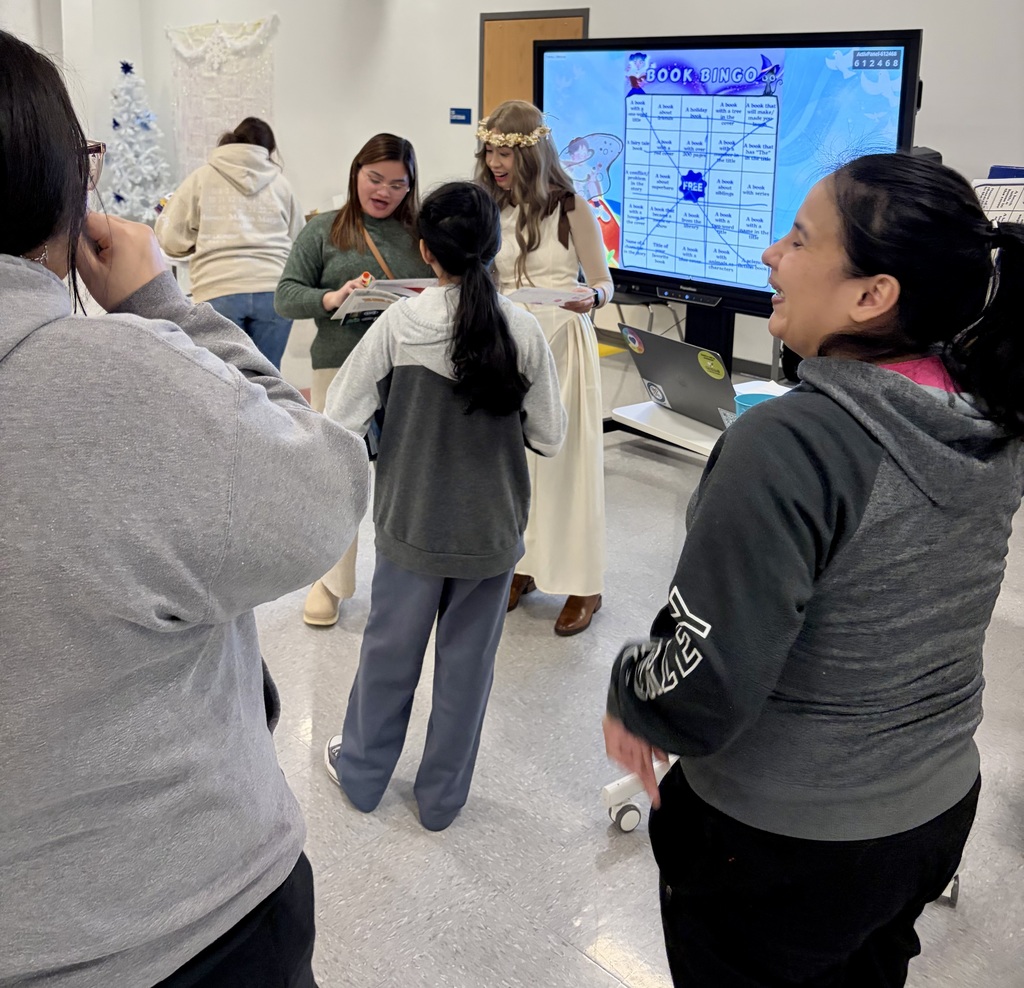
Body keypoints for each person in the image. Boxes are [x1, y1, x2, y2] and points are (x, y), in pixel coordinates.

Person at [0, 31, 370, 988]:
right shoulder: (114, 381)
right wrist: (165, 305)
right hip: (184, 924)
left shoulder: (213, 181)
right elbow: (326, 486)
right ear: (57, 188)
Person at [603, 152, 1024, 987]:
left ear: (873, 296)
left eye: (798, 238)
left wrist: (631, 692)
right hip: (933, 811)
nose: (769, 253)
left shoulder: (790, 445)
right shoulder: (989, 419)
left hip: (782, 842)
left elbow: (704, 687)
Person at [321, 181, 566, 830]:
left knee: (387, 657)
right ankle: (441, 802)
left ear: (425, 250)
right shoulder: (523, 329)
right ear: (495, 248)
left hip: (411, 527)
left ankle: (364, 775)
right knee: (467, 673)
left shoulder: (399, 323)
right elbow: (550, 436)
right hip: (489, 535)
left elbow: (340, 417)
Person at [275, 133, 432, 628]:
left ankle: (403, 582)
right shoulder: (323, 230)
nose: (383, 192)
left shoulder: (420, 234)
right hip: (339, 366)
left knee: (405, 481)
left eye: (397, 184)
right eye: (374, 179)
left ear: (411, 187)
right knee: (339, 478)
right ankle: (329, 583)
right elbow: (285, 296)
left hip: (408, 369)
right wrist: (330, 298)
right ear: (356, 173)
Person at [476, 99, 614, 636]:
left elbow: (605, 282)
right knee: (517, 467)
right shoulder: (491, 204)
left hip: (562, 343)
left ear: (532, 154)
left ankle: (585, 583)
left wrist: (593, 299)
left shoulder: (570, 204)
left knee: (567, 464)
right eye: (489, 150)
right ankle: (525, 566)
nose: (494, 162)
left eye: (505, 152)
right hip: (508, 345)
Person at [155, 116, 304, 368]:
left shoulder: (201, 178)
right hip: (273, 289)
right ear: (268, 150)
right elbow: (300, 240)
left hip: (218, 289)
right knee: (269, 381)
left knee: (221, 382)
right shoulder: (281, 185)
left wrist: (193, 244)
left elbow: (169, 237)